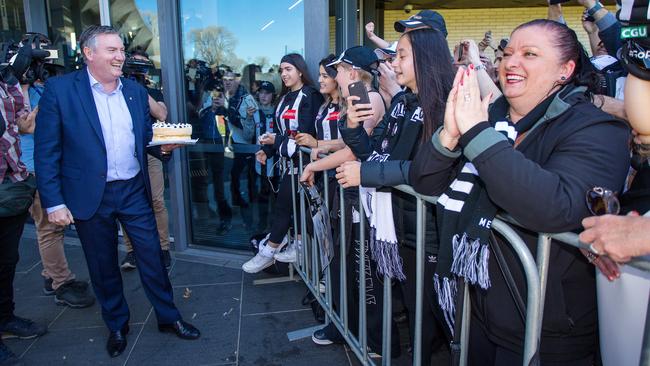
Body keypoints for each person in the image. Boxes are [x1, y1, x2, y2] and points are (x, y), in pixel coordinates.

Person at [410, 19, 630, 365]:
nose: (510, 62)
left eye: (529, 54)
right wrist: (450, 136)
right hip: (477, 305)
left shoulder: (595, 128)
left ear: (565, 70)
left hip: (547, 326)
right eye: (508, 52)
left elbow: (555, 206)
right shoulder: (487, 114)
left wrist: (478, 135)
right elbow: (425, 182)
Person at [34, 25, 200, 358]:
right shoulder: (60, 90)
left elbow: (143, 142)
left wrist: (163, 149)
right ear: (88, 53)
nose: (120, 56)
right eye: (112, 50)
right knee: (102, 264)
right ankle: (116, 325)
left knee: (152, 256)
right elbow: (47, 151)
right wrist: (54, 201)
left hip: (132, 190)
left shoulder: (135, 92)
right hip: (89, 195)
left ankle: (168, 317)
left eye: (121, 50)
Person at [327, 28, 454, 364]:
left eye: (401, 56)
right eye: (394, 56)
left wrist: (364, 174)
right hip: (399, 224)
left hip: (427, 232)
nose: (392, 64)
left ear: (425, 60)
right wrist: (353, 128)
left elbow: (423, 170)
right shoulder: (402, 101)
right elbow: (374, 153)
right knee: (415, 311)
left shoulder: (442, 105)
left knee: (432, 315)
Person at [14, 34, 96, 309]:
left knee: (52, 228)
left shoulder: (40, 87)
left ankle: (51, 275)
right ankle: (61, 283)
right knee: (49, 228)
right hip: (30, 168)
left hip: (48, 165)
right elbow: (27, 126)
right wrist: (22, 83)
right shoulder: (13, 89)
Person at [243, 53, 323, 273]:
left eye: (288, 69)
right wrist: (267, 150)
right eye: (281, 70)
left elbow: (305, 136)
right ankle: (293, 247)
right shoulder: (285, 97)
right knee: (288, 209)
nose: (284, 74)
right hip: (286, 164)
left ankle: (267, 252)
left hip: (306, 166)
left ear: (300, 70)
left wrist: (275, 141)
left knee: (283, 209)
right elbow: (280, 132)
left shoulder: (311, 96)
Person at [0, 66, 46, 366]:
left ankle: (5, 317)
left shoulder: (8, 82)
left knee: (6, 262)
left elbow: (23, 125)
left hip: (11, 184)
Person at [120, 47, 173, 270]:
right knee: (127, 203)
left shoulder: (150, 91)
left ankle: (163, 249)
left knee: (157, 201)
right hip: (125, 154)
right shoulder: (116, 89)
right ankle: (132, 252)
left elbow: (161, 114)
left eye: (143, 64)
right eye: (135, 63)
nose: (138, 68)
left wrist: (139, 87)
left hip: (150, 152)